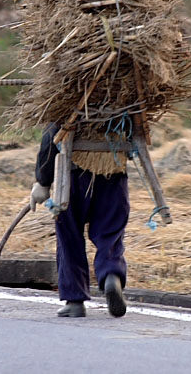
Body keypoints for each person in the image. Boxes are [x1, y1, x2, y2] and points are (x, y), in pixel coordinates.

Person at [29, 122, 129, 318]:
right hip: (114, 175)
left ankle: (74, 300)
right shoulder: (123, 105)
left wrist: (43, 181)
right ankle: (111, 274)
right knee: (109, 234)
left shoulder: (70, 99)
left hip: (73, 176)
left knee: (69, 237)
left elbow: (51, 137)